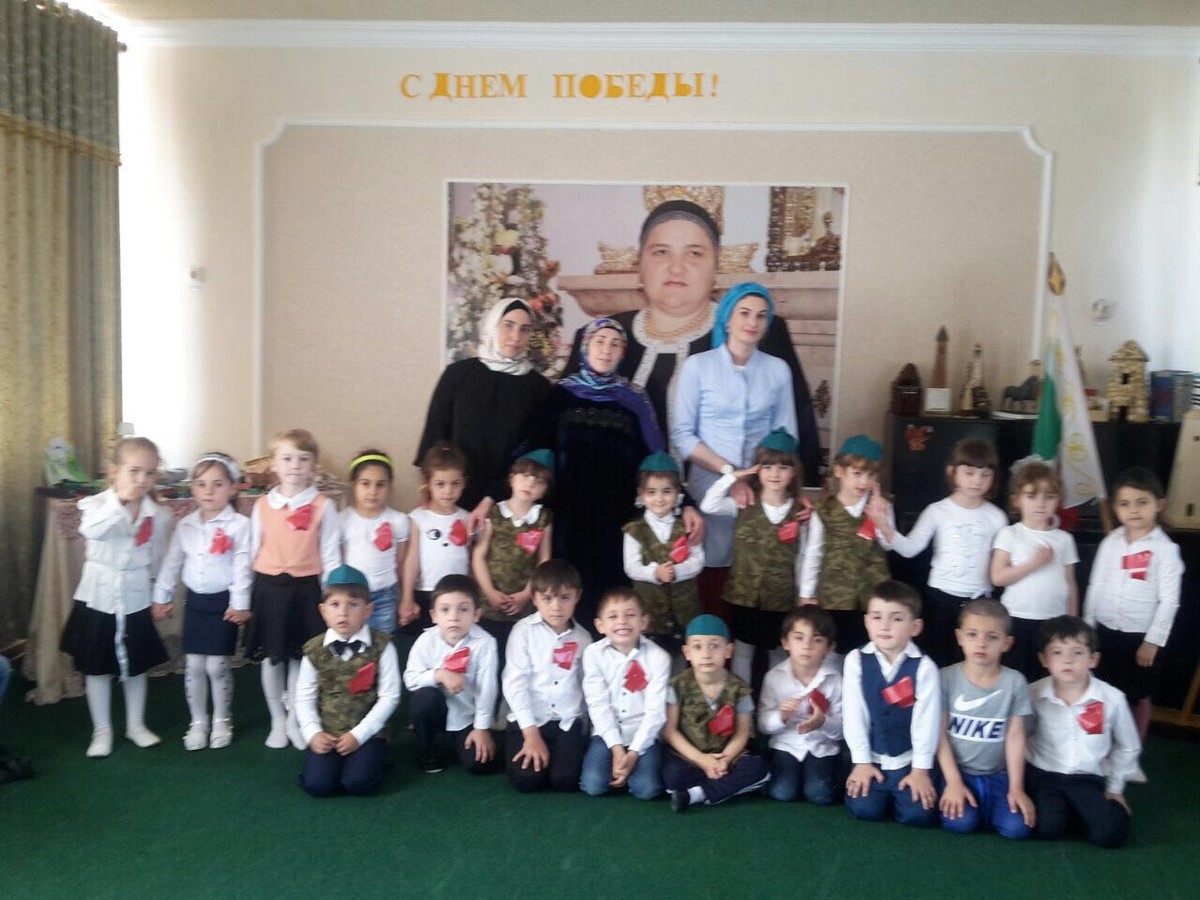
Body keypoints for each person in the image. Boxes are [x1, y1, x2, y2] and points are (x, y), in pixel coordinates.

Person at [563, 200, 820, 488]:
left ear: (716, 267)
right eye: (661, 252)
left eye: (695, 253)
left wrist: (801, 493)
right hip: (615, 498)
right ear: (640, 265)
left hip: (733, 496)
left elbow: (795, 434)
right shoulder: (601, 337)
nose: (676, 268)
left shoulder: (759, 332)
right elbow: (561, 428)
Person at [520, 317, 668, 622]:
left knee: (611, 590)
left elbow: (656, 457)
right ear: (585, 347)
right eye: (599, 341)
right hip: (567, 512)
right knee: (565, 588)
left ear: (623, 352)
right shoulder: (560, 394)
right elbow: (533, 447)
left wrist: (682, 501)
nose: (606, 350)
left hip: (617, 515)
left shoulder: (635, 399)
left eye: (615, 344)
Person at [673, 283, 797, 604]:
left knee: (757, 573)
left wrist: (777, 486)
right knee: (711, 575)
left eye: (761, 315)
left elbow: (787, 437)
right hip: (708, 488)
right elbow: (683, 436)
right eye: (744, 313)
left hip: (763, 490)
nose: (752, 322)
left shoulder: (778, 370)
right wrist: (731, 475)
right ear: (727, 319)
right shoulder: (698, 366)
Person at [60, 436, 173, 758]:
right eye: (134, 471)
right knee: (96, 667)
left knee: (136, 666)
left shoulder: (158, 514)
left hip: (135, 596)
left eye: (149, 473)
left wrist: (159, 595)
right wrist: (121, 503)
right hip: (99, 596)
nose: (142, 479)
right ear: (114, 471)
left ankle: (135, 724)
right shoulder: (95, 505)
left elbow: (158, 556)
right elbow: (92, 531)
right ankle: (102, 730)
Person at [871, 438, 1008, 667]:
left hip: (980, 601)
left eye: (985, 474)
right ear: (952, 472)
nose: (977, 481)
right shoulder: (937, 511)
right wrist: (883, 525)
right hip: (941, 599)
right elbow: (910, 549)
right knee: (938, 658)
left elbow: (1001, 562)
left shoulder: (997, 517)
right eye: (969, 473)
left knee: (974, 659)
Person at [244, 428, 341, 750]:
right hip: (269, 590)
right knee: (272, 659)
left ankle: (295, 720)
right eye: (287, 459)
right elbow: (251, 552)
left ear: (313, 465)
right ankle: (277, 719)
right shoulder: (262, 506)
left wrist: (332, 599)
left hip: (306, 591)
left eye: (303, 459)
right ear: (274, 464)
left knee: (302, 659)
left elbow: (331, 555)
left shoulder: (323, 506)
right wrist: (242, 598)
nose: (295, 466)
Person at [415, 296, 552, 514]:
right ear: (493, 325)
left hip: (508, 502)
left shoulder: (539, 388)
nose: (515, 337)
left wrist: (492, 497)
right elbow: (435, 433)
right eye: (508, 326)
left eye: (524, 329)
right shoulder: (458, 375)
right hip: (451, 495)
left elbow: (532, 450)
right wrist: (427, 486)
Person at [153, 452, 251, 751]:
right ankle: (198, 721)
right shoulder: (185, 525)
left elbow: (242, 567)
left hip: (224, 605)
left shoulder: (240, 525)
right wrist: (161, 597)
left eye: (218, 484)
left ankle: (222, 719)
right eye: (201, 484)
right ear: (192, 489)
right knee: (194, 665)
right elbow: (172, 563)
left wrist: (240, 603)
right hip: (196, 604)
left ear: (232, 488)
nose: (209, 491)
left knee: (217, 666)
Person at [1084, 467, 1184, 747]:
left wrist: (1152, 641)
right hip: (1104, 632)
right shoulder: (1110, 543)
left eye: (1142, 502)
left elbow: (1169, 600)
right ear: (1115, 508)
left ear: (1159, 504)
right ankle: (1099, 748)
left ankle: (1129, 750)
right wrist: (1088, 628)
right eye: (1125, 503)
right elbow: (1095, 585)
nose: (1134, 510)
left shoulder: (1165, 550)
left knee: (1136, 695)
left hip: (1140, 638)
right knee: (1100, 690)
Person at [700, 428, 805, 688]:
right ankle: (743, 705)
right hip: (744, 595)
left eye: (783, 467)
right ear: (757, 469)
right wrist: (732, 477)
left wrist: (802, 594)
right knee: (743, 651)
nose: (775, 474)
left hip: (780, 597)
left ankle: (775, 703)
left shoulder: (800, 511)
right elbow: (708, 505)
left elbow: (803, 557)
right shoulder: (744, 503)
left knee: (778, 653)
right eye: (767, 467)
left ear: (794, 472)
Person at [1026, 616, 1140, 848]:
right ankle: (1071, 812)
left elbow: (1128, 745)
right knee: (1047, 828)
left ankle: (1090, 812)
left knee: (1108, 836)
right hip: (1044, 775)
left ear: (1093, 659)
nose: (1067, 660)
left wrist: (1115, 789)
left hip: (1086, 777)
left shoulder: (1112, 698)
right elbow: (1020, 736)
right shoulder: (1032, 694)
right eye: (1057, 652)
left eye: (1077, 652)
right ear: (1044, 659)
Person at [295, 565, 400, 797]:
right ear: (323, 611)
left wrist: (359, 735)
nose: (343, 613)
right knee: (319, 786)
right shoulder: (314, 650)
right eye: (335, 605)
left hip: (368, 732)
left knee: (358, 783)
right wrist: (313, 732)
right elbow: (304, 697)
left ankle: (377, 762)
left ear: (368, 610)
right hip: (328, 732)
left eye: (353, 604)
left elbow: (390, 697)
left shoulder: (383, 646)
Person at [843, 580, 940, 827]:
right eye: (877, 617)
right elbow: (854, 714)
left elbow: (927, 723)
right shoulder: (856, 660)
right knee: (864, 809)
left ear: (915, 627)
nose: (885, 626)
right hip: (871, 757)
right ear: (866, 622)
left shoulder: (924, 667)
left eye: (896, 619)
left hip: (907, 760)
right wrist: (862, 762)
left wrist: (920, 770)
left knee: (918, 815)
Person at [936, 600, 1035, 838]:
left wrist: (1016, 787)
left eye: (992, 637)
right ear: (959, 637)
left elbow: (1016, 736)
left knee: (1018, 828)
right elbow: (938, 734)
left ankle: (990, 806)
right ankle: (973, 804)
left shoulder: (1015, 682)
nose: (981, 643)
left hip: (999, 774)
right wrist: (953, 782)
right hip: (958, 771)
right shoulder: (945, 677)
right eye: (972, 634)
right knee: (960, 823)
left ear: (1006, 643)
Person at [661, 614, 771, 812]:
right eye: (697, 647)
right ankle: (734, 787)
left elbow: (742, 732)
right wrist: (701, 760)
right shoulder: (677, 685)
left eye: (714, 646)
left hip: (727, 755)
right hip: (691, 755)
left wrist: (725, 760)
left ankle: (697, 794)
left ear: (728, 650)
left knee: (755, 767)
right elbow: (670, 731)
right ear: (687, 652)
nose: (706, 654)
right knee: (672, 776)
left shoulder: (739, 688)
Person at [502, 559, 593, 793]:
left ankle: (560, 755)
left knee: (565, 780)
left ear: (577, 596)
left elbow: (588, 686)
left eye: (564, 598)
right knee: (527, 781)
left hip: (567, 720)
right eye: (547, 599)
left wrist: (589, 728)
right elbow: (514, 683)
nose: (556, 607)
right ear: (534, 599)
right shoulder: (522, 632)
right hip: (529, 720)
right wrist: (531, 734)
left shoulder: (583, 639)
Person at [799, 434, 893, 654]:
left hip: (872, 596)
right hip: (834, 595)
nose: (864, 482)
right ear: (839, 471)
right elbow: (813, 553)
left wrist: (881, 518)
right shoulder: (824, 509)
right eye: (857, 473)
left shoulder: (882, 505)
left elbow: (889, 545)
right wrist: (806, 593)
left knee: (868, 650)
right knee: (832, 650)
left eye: (871, 475)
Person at [990, 457, 1080, 681]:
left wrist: (1073, 623)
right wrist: (1034, 563)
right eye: (1032, 496)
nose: (1041, 504)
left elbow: (1070, 584)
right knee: (1016, 676)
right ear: (1017, 500)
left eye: (1049, 497)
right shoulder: (1010, 534)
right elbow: (998, 577)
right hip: (1017, 618)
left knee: (1048, 678)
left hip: (1054, 621)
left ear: (1058, 500)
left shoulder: (1064, 539)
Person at [579, 587, 671, 800]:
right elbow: (597, 704)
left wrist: (634, 752)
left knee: (646, 789)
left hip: (643, 733)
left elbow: (655, 712)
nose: (622, 621)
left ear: (644, 622)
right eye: (613, 616)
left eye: (630, 615)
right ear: (600, 625)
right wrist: (616, 748)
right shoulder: (593, 654)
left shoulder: (658, 657)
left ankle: (632, 769)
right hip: (607, 733)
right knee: (593, 784)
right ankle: (621, 769)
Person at [403, 574, 500, 775]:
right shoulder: (426, 640)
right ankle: (428, 752)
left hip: (467, 716)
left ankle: (463, 741)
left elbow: (487, 689)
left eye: (463, 609)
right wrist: (439, 675)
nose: (454, 617)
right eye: (445, 610)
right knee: (424, 698)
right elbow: (410, 679)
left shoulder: (485, 643)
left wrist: (481, 728)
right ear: (433, 615)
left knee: (479, 764)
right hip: (436, 712)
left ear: (476, 614)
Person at [470, 449, 554, 664]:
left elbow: (544, 560)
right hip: (489, 601)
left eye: (539, 481)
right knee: (488, 656)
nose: (530, 484)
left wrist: (527, 594)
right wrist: (489, 592)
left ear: (545, 489)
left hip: (524, 601)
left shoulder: (543, 518)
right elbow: (478, 556)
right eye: (525, 476)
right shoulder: (494, 513)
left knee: (519, 655)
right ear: (511, 479)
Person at [622, 453, 704, 659]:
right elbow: (631, 567)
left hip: (684, 610)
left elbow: (698, 560)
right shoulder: (634, 530)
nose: (659, 499)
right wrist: (655, 573)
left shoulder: (686, 526)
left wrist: (677, 571)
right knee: (651, 659)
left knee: (681, 658)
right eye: (651, 492)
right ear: (641, 494)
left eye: (666, 491)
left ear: (678, 493)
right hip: (650, 612)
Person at [758, 607, 842, 805]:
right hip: (786, 744)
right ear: (785, 642)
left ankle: (835, 774)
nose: (807, 646)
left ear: (829, 647)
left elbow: (842, 730)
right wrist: (780, 716)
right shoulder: (774, 677)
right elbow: (762, 724)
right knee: (782, 792)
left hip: (821, 746)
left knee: (819, 794)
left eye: (817, 640)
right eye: (798, 638)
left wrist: (822, 722)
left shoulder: (835, 679)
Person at [401, 443, 472, 634]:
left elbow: (472, 559)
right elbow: (412, 559)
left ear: (464, 483)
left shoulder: (467, 518)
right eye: (440, 484)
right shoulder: (418, 517)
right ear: (428, 483)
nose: (448, 491)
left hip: (460, 593)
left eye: (455, 483)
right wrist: (407, 596)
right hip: (426, 591)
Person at [340, 449, 409, 634]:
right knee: (352, 641)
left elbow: (400, 563)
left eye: (380, 485)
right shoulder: (342, 520)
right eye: (365, 484)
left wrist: (405, 598)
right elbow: (338, 561)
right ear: (353, 485)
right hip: (351, 596)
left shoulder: (399, 520)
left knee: (382, 642)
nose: (373, 491)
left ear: (389, 486)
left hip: (385, 595)